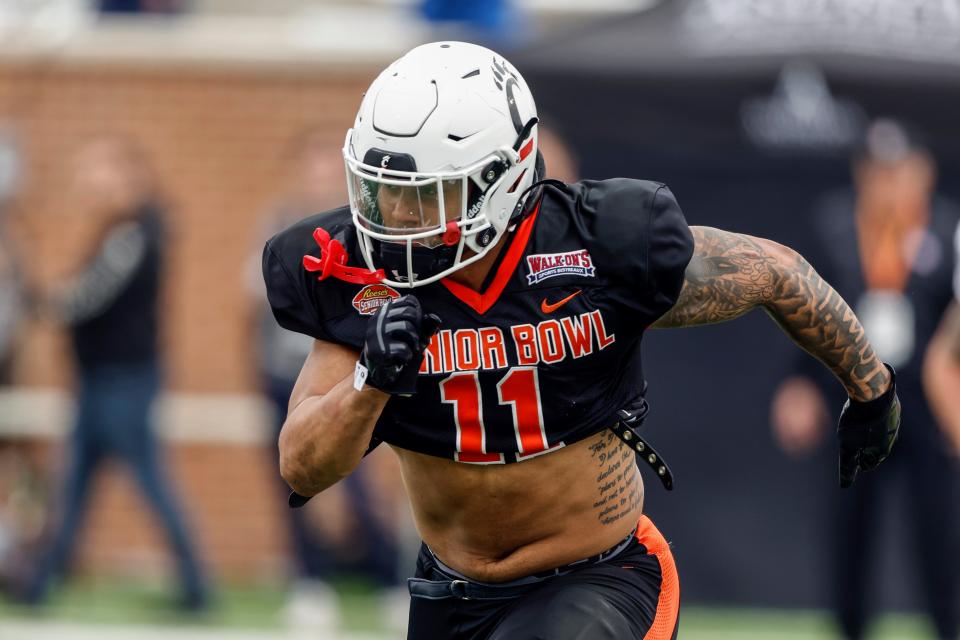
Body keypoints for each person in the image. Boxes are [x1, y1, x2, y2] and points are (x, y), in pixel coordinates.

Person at [262, 42, 900, 639]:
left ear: (502, 177)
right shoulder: (355, 277)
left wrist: (873, 393)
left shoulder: (597, 248)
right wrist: (369, 381)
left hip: (599, 578)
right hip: (453, 591)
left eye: (425, 195)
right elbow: (303, 467)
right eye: (385, 191)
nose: (397, 219)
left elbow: (775, 271)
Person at [771, 119, 959, 640]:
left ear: (923, 174)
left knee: (937, 533)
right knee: (849, 530)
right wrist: (799, 385)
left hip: (924, 400)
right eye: (878, 173)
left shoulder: (947, 232)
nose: (888, 186)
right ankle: (849, 630)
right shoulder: (833, 226)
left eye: (898, 173)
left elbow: (953, 338)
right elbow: (805, 315)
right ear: (861, 175)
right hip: (853, 397)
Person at [23, 135, 208, 611]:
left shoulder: (135, 234)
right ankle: (40, 584)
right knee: (75, 486)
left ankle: (196, 588)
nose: (89, 184)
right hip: (99, 381)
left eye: (99, 172)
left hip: (122, 383)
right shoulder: (121, 232)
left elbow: (88, 297)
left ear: (130, 177)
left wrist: (40, 302)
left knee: (150, 482)